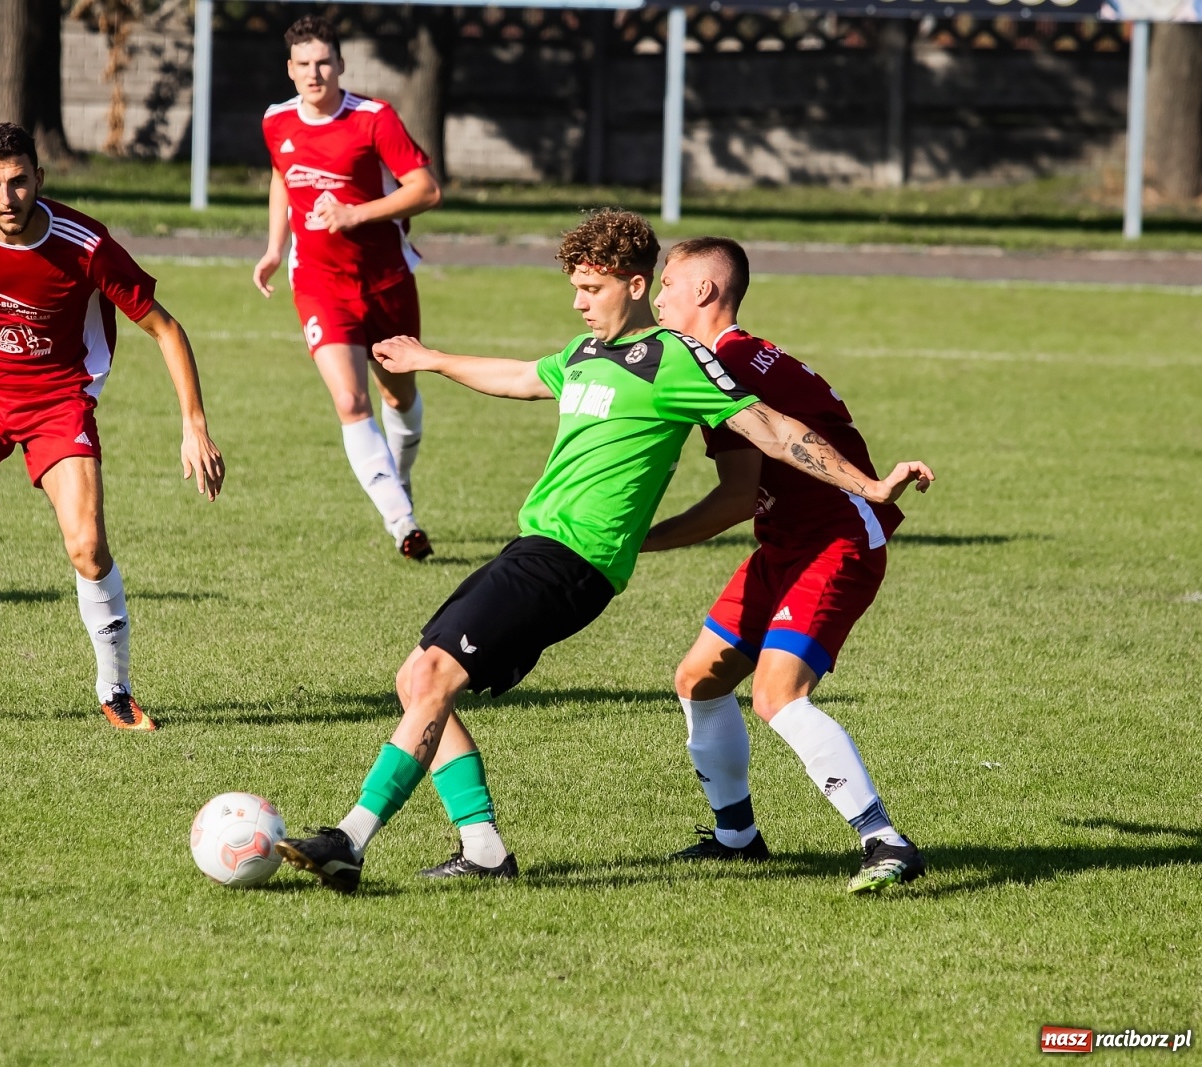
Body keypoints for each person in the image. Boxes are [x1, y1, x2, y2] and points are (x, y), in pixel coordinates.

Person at [275, 211, 933, 893]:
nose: (578, 301)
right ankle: (487, 848)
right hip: (533, 546)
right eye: (576, 287)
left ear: (638, 285)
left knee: (437, 676)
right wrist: (431, 360)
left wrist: (870, 484)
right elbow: (521, 376)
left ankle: (349, 837)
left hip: (569, 564)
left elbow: (771, 428)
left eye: (591, 287)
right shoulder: (586, 356)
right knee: (418, 679)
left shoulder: (677, 361)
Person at [0, 123, 225, 731]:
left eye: (18, 181)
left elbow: (165, 328)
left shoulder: (85, 245)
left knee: (87, 547)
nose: (6, 197)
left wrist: (194, 423)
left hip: (57, 401)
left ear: (40, 177)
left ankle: (115, 689)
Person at [643, 236, 929, 893]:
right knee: (701, 678)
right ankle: (736, 838)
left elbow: (734, 498)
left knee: (776, 694)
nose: (659, 297)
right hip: (784, 541)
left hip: (835, 540)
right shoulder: (733, 354)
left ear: (705, 292)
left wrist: (638, 540)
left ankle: (884, 840)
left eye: (668, 284)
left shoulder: (727, 362)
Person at [253, 15, 443, 559]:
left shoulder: (374, 119)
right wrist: (274, 247)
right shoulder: (276, 122)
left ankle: (398, 478)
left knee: (397, 394)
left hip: (386, 280)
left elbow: (426, 190)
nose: (315, 73)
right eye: (304, 64)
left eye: (324, 62)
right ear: (290, 71)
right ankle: (401, 521)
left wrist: (357, 215)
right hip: (318, 281)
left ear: (340, 65)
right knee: (350, 398)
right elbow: (280, 179)